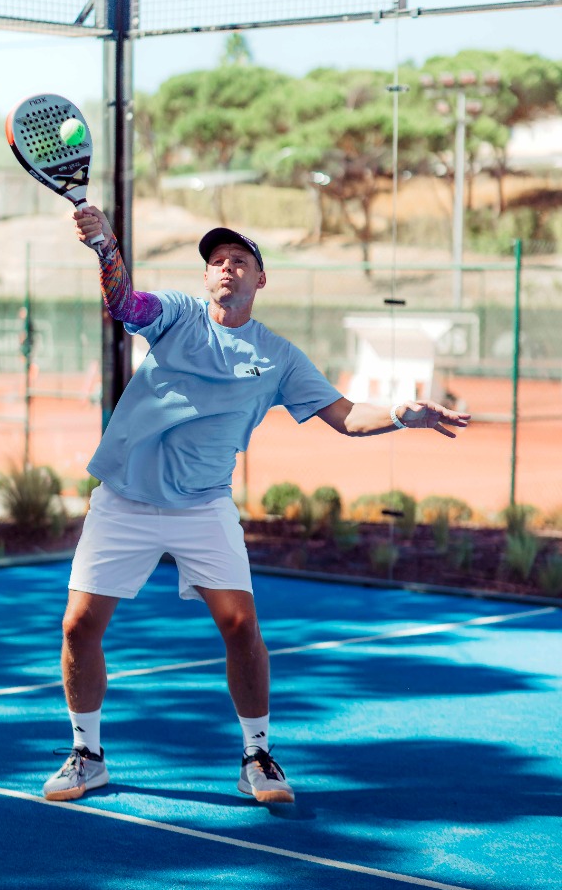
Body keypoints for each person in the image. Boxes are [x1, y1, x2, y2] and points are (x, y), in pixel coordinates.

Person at [43, 207, 470, 805]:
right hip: (124, 499)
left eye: (239, 260)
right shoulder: (178, 316)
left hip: (203, 507)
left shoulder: (279, 357)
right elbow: (125, 305)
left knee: (241, 626)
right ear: (206, 277)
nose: (226, 268)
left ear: (260, 279)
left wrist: (403, 414)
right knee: (78, 625)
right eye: (217, 261)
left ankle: (257, 756)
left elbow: (346, 416)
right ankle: (87, 754)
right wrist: (107, 248)